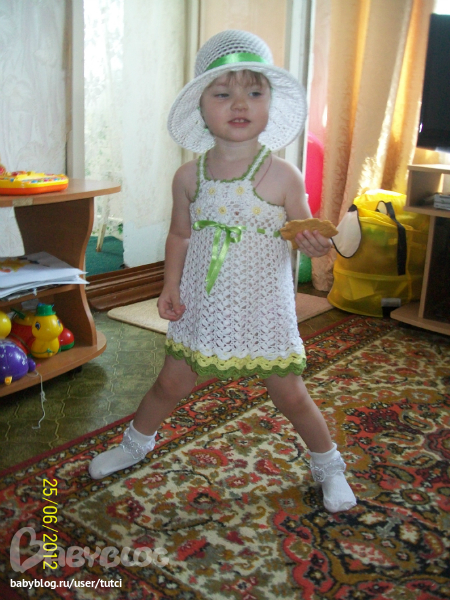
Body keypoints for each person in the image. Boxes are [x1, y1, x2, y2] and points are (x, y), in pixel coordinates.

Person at [89, 30, 356, 513]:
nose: (239, 104)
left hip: (264, 308)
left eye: (254, 92)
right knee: (171, 383)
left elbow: (301, 228)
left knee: (291, 394)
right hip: (203, 303)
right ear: (201, 107)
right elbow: (179, 236)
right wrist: (170, 284)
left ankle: (329, 465)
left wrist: (311, 240)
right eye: (222, 93)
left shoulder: (283, 174)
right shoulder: (188, 177)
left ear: (270, 104)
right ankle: (134, 444)